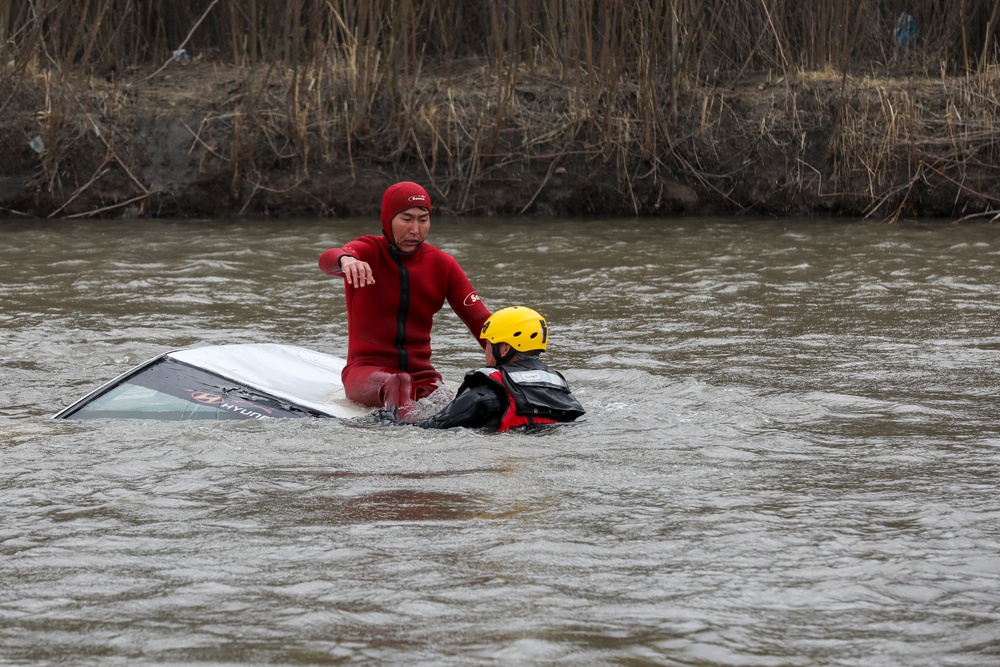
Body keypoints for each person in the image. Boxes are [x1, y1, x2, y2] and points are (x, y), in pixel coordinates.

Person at [318, 181, 491, 414]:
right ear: (388, 220)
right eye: (406, 219)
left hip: (423, 377)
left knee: (464, 402)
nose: (415, 229)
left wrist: (516, 361)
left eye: (423, 219)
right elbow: (329, 259)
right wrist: (346, 261)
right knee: (399, 382)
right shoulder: (367, 252)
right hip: (366, 373)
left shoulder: (442, 264)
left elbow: (482, 322)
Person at [375, 306, 585, 431]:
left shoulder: (485, 394)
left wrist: (391, 424)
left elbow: (430, 429)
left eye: (488, 343)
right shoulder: (557, 383)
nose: (485, 349)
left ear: (504, 348)